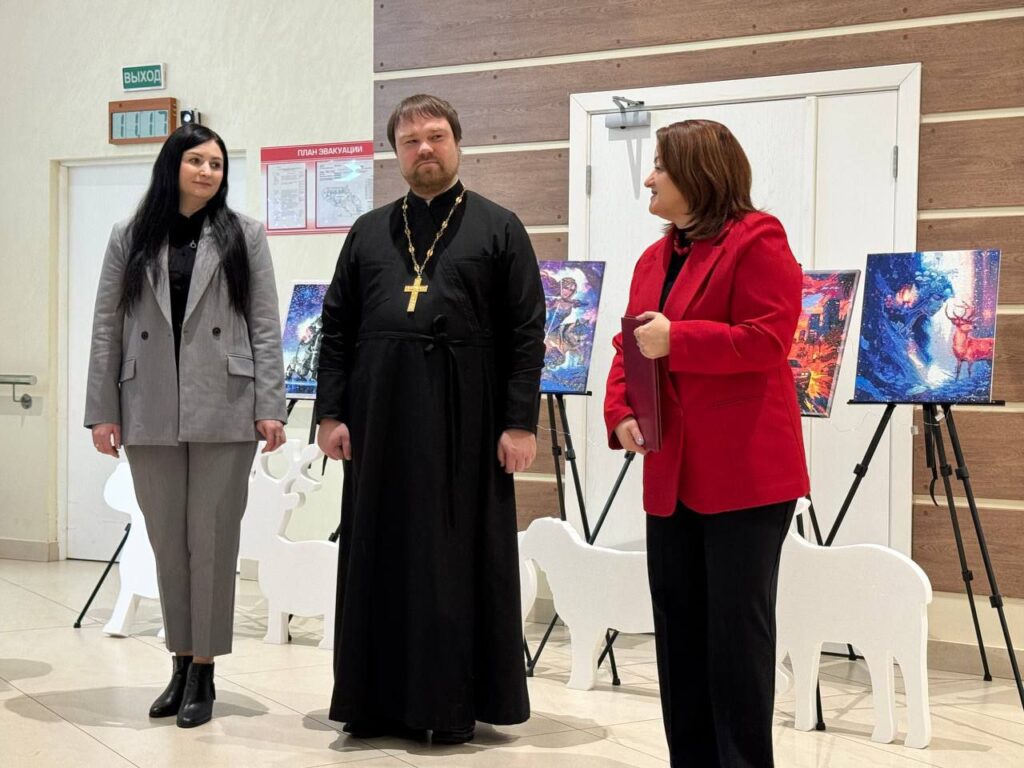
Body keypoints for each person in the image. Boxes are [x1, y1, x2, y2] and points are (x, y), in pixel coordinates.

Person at [315, 94, 544, 744]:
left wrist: (519, 422)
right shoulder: (368, 231)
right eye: (410, 141)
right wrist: (331, 413)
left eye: (436, 136)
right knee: (378, 554)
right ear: (395, 153)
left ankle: (449, 705)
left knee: (452, 558)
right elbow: (336, 328)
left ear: (457, 143)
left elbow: (527, 332)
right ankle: (372, 703)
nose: (425, 149)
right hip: (379, 417)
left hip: (465, 421)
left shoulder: (499, 227)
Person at [604, 120, 810, 767]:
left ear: (698, 174)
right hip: (670, 473)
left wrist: (679, 340)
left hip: (745, 477)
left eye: (660, 166)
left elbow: (767, 340)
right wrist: (620, 411)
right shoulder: (652, 258)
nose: (648, 178)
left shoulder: (758, 239)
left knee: (736, 642)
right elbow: (629, 347)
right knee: (679, 639)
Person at [85, 123, 287, 728]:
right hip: (147, 404)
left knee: (213, 539)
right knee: (168, 542)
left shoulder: (244, 235)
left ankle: (205, 669)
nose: (207, 172)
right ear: (172, 164)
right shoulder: (131, 236)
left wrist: (270, 405)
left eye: (216, 164)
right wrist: (103, 410)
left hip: (226, 401)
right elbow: (107, 326)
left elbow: (265, 324)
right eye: (196, 160)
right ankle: (178, 663)